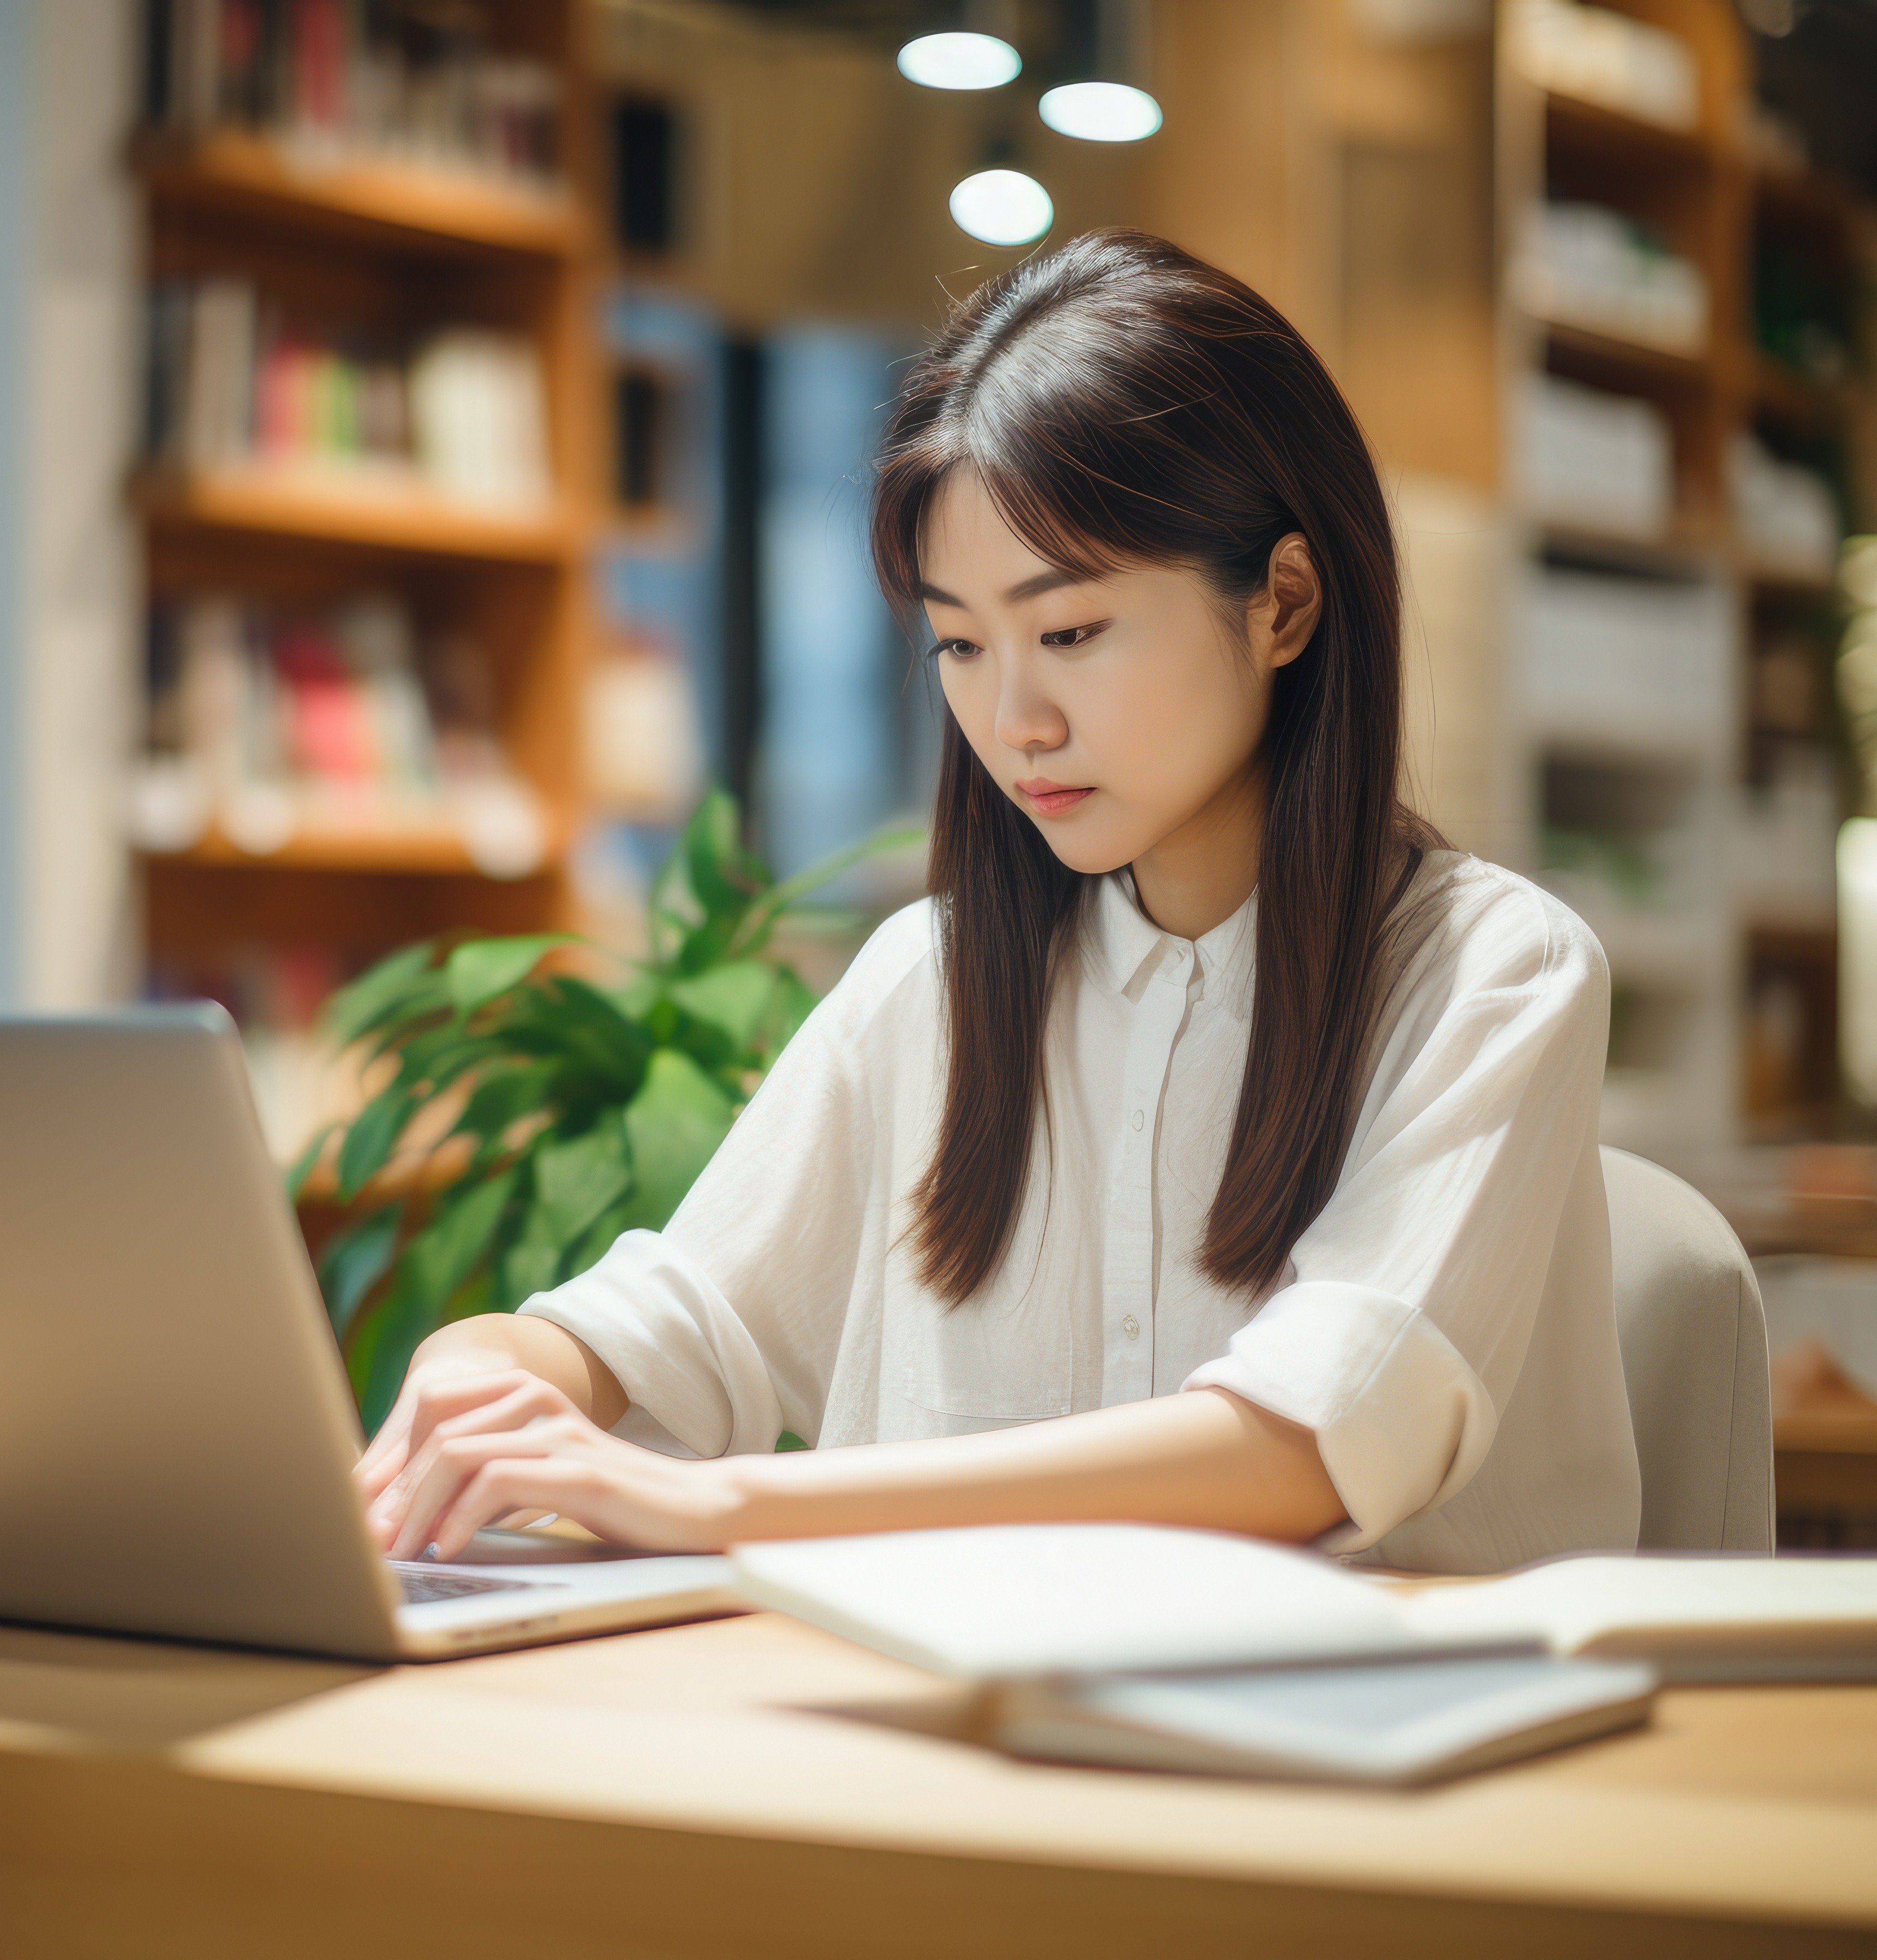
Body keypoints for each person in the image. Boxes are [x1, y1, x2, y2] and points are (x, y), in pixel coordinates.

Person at [358, 229, 1640, 1576]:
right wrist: (488, 1369)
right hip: (964, 1749)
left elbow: (1300, 1452)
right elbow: (666, 1325)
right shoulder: (936, 975)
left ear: (1285, 603)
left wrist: (730, 1507)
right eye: (961, 644)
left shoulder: (1494, 973)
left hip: (1383, 1755)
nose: (1011, 719)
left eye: (1070, 632)